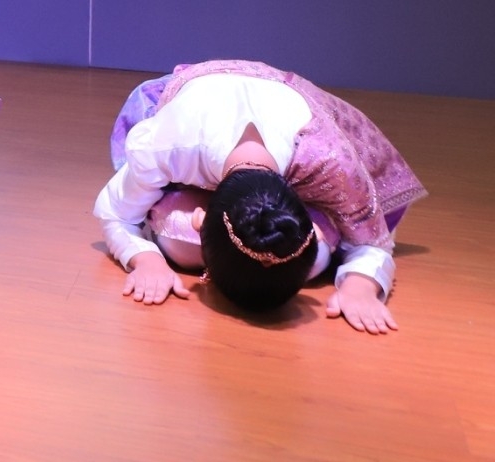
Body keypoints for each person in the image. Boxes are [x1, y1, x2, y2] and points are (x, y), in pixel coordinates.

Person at [95, 59, 426, 335]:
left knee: (298, 257)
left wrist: (361, 286)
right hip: (206, 94)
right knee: (179, 244)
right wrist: (147, 261)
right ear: (202, 217)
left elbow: (374, 242)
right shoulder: (169, 143)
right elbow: (116, 213)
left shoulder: (332, 162)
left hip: (286, 106)